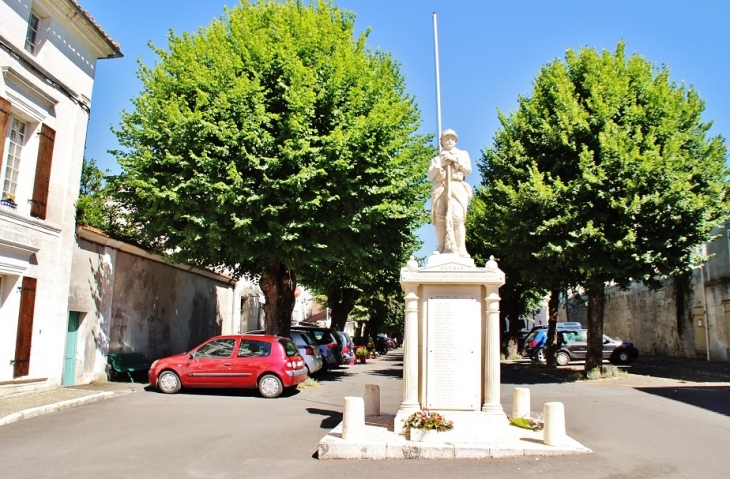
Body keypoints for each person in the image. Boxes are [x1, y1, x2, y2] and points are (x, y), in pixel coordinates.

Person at [427, 129, 472, 257]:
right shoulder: (436, 159)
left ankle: (461, 248)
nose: (449, 141)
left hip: (456, 186)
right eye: (446, 138)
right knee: (440, 217)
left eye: (452, 138)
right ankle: (441, 246)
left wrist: (455, 160)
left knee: (457, 218)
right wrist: (440, 164)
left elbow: (468, 170)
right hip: (440, 187)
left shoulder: (462, 154)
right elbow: (431, 175)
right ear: (442, 141)